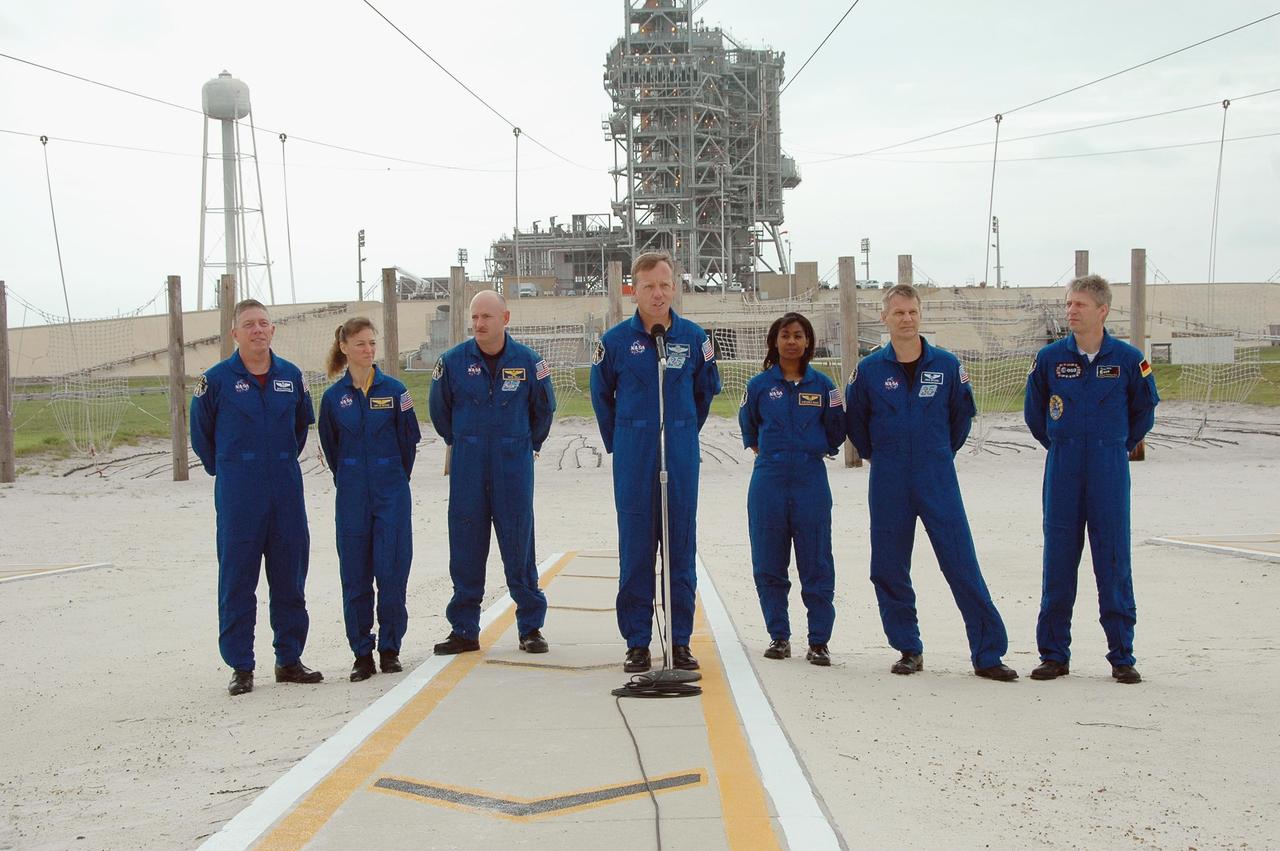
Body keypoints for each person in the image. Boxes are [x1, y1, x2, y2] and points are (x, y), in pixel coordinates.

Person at [844, 284, 1018, 681]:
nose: (906, 319)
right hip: (889, 478)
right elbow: (856, 423)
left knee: (960, 562)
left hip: (936, 474)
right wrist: (882, 455)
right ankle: (908, 648)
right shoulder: (869, 371)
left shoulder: (947, 365)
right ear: (885, 317)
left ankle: (988, 653)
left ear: (920, 316)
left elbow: (961, 418)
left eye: (912, 312)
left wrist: (937, 452)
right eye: (898, 313)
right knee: (888, 566)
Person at [590, 251, 722, 673]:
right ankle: (637, 642)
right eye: (649, 286)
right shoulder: (612, 342)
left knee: (681, 547)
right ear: (634, 289)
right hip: (635, 452)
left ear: (675, 286)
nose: (658, 293)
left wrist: (681, 431)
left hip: (679, 450)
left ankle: (680, 641)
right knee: (636, 549)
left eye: (665, 284)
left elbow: (705, 392)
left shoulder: (694, 338)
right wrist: (626, 441)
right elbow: (601, 398)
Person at [1024, 274, 1158, 685]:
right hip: (1063, 467)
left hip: (1108, 468)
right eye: (1068, 304)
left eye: (1079, 304)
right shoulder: (1049, 359)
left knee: (1113, 559)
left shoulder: (1129, 359)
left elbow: (1143, 412)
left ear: (1103, 310)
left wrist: (1115, 446)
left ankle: (1122, 655)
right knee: (1058, 562)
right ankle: (1054, 654)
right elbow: (1035, 413)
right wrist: (1061, 444)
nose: (1071, 311)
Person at [190, 299, 322, 696]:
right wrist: (232, 468)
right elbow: (202, 438)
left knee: (289, 575)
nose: (258, 330)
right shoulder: (215, 381)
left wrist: (275, 463)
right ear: (235, 334)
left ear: (273, 330)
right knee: (237, 578)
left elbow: (301, 429)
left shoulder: (291, 377)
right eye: (249, 324)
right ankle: (241, 666)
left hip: (284, 487)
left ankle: (289, 659)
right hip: (238, 491)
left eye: (264, 323)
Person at [428, 290, 556, 655]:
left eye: (487, 317)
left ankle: (530, 628)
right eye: (475, 317)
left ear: (506, 318)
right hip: (468, 465)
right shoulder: (451, 363)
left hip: (513, 465)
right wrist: (464, 443)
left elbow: (543, 411)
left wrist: (524, 445)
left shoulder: (529, 362)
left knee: (519, 544)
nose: (479, 324)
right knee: (466, 546)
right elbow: (440, 412)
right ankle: (464, 629)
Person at [317, 318, 422, 682]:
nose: (367, 349)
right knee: (355, 575)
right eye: (360, 343)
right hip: (352, 494)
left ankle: (390, 648)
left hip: (391, 489)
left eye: (371, 343)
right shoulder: (333, 399)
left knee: (392, 570)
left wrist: (391, 476)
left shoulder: (395, 391)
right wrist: (351, 478)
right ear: (344, 347)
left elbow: (410, 441)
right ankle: (362, 652)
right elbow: (331, 448)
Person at [738, 312, 844, 666]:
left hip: (811, 479)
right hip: (768, 478)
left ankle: (819, 642)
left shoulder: (824, 387)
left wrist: (812, 451)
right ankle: (779, 636)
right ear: (775, 341)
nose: (792, 342)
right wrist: (769, 451)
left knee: (816, 561)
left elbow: (836, 430)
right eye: (785, 335)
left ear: (808, 341)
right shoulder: (758, 386)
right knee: (769, 561)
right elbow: (749, 427)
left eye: (799, 335)